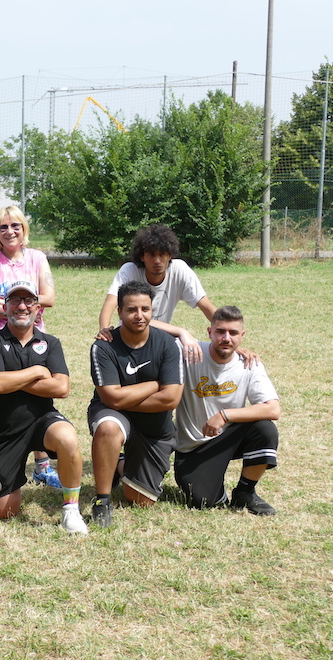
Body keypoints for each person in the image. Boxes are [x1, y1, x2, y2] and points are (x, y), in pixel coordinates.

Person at [0, 280, 88, 534]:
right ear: (5, 308)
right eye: (15, 300)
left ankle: (71, 509)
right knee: (5, 511)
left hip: (42, 421)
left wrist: (12, 378)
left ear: (38, 308)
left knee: (68, 437)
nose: (22, 306)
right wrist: (38, 372)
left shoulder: (51, 342)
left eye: (28, 301)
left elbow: (61, 388)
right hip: (4, 431)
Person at [0, 205, 62, 489]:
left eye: (15, 226)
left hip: (34, 338)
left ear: (24, 229)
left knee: (36, 400)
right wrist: (16, 313)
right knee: (1, 397)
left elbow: (48, 297)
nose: (9, 231)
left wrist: (18, 312)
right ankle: (3, 458)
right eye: (3, 227)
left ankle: (42, 465)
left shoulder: (37, 258)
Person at [88, 281, 184, 528]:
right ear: (119, 312)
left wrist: (124, 398)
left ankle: (119, 465)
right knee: (108, 428)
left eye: (145, 309)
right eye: (131, 309)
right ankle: (102, 500)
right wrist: (154, 385)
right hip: (114, 416)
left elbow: (171, 398)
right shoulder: (103, 346)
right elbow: (111, 399)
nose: (139, 315)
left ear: (152, 310)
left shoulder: (168, 345)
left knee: (140, 500)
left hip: (155, 428)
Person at [174, 306, 280, 514]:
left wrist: (224, 415)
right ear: (209, 332)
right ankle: (211, 484)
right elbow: (148, 325)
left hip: (228, 437)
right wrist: (181, 332)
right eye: (220, 331)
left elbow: (273, 409)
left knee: (265, 429)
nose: (226, 338)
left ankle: (245, 493)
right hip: (193, 448)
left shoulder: (250, 364)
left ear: (242, 336)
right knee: (204, 501)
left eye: (233, 333)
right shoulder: (190, 352)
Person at [97, 223, 216, 362]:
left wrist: (228, 337)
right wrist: (104, 329)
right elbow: (110, 303)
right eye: (151, 255)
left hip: (160, 339)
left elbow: (207, 307)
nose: (157, 261)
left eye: (162, 254)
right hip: (130, 337)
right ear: (142, 256)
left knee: (192, 352)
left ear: (170, 255)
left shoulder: (180, 270)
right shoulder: (130, 270)